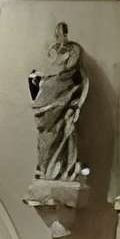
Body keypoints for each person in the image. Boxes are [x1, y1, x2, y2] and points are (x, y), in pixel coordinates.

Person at [29, 20, 87, 182]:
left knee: (62, 133)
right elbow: (49, 70)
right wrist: (42, 77)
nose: (60, 36)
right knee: (45, 136)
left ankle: (57, 169)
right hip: (48, 101)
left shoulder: (73, 50)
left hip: (61, 97)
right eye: (58, 33)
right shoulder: (53, 52)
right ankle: (45, 168)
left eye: (62, 32)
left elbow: (70, 70)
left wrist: (58, 73)